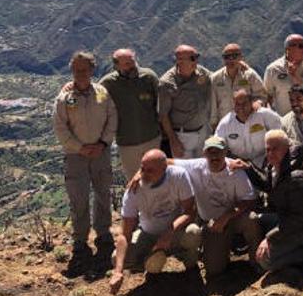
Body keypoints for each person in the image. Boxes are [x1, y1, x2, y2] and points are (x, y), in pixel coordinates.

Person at [53, 51, 117, 267]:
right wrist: (79, 148)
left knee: (102, 194)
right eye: (76, 70)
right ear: (72, 71)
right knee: (78, 198)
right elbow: (60, 128)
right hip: (75, 156)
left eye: (85, 69)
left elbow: (112, 119)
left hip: (101, 153)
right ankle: (80, 239)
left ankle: (103, 233)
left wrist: (103, 144)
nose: (80, 73)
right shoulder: (65, 98)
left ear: (92, 70)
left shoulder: (102, 94)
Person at [109, 149, 201, 295]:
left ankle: (189, 263)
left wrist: (170, 232)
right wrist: (118, 272)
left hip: (176, 232)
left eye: (150, 170)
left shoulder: (178, 176)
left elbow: (190, 211)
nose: (144, 174)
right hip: (147, 233)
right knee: (117, 258)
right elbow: (124, 235)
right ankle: (151, 263)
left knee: (193, 233)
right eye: (142, 168)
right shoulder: (134, 190)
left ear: (165, 169)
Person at [254, 130, 303, 271]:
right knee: (256, 220)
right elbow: (267, 185)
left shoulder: (297, 178)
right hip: (289, 220)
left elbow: (297, 220)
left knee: (265, 260)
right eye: (267, 149)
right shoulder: (275, 168)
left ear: (287, 148)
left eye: (275, 149)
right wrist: (247, 168)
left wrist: (269, 238)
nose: (270, 153)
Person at [192, 136, 263, 276]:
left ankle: (258, 262)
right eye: (210, 152)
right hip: (212, 224)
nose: (214, 156)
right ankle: (218, 248)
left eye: (218, 151)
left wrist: (227, 216)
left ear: (225, 153)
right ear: (204, 154)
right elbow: (168, 162)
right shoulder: (195, 167)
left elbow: (250, 200)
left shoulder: (236, 170)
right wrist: (141, 171)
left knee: (251, 219)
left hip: (234, 218)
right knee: (214, 270)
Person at [98, 48, 162, 180]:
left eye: (132, 61)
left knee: (158, 177)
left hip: (152, 138)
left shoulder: (149, 77)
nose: (132, 65)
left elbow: (161, 105)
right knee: (134, 181)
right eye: (126, 64)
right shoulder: (108, 83)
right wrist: (70, 86)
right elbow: (95, 98)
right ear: (116, 66)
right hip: (127, 144)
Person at [159, 44, 212, 158]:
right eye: (192, 58)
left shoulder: (201, 72)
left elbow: (217, 79)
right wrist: (173, 141)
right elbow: (163, 115)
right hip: (182, 137)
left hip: (203, 131)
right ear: (180, 61)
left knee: (203, 169)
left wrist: (239, 66)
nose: (196, 61)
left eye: (197, 57)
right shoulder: (167, 83)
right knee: (185, 172)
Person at [215, 89, 282, 169]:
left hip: (266, 163)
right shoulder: (225, 123)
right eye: (237, 104)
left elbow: (282, 132)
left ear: (251, 102)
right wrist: (229, 162)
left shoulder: (264, 115)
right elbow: (217, 147)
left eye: (244, 103)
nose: (241, 107)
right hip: (239, 166)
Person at [209, 43, 267, 128]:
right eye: (227, 57)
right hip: (225, 126)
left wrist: (257, 104)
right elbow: (212, 104)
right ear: (223, 59)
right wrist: (214, 125)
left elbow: (262, 95)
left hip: (248, 123)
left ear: (241, 57)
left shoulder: (250, 75)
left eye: (234, 56)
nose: (230, 59)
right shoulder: (215, 78)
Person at [264, 34, 303, 116]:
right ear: (287, 49)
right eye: (300, 46)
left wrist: (294, 75)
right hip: (284, 120)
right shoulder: (273, 69)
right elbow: (267, 96)